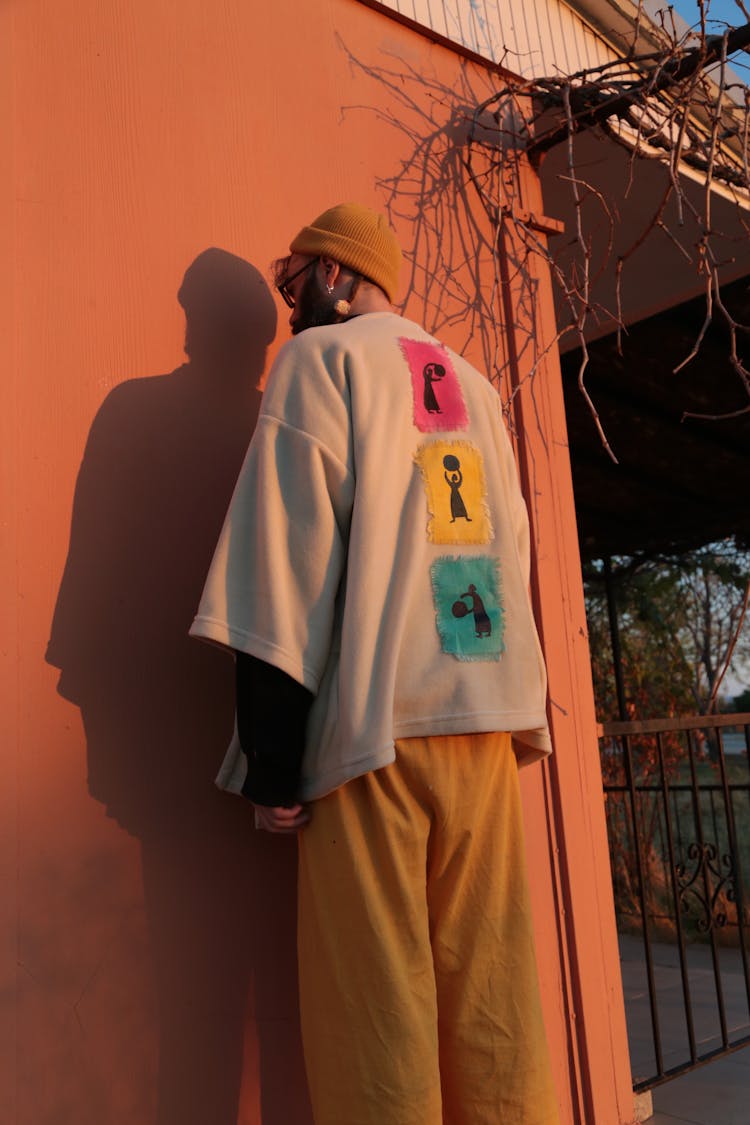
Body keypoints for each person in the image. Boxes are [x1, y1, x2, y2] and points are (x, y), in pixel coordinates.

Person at [190, 203, 559, 1125]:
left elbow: (283, 563)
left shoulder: (319, 363)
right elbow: (511, 544)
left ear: (332, 273)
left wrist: (272, 761)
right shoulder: (473, 382)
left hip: (376, 736)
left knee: (377, 1016)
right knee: (495, 996)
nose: (287, 307)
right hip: (485, 717)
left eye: (291, 281)